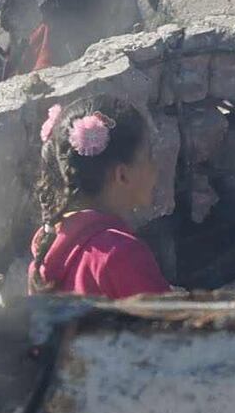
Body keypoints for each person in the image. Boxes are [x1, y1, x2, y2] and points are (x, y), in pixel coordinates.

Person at [30, 98, 167, 303]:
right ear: (122, 175)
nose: (155, 168)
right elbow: (167, 330)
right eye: (149, 157)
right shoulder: (120, 255)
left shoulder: (45, 251)